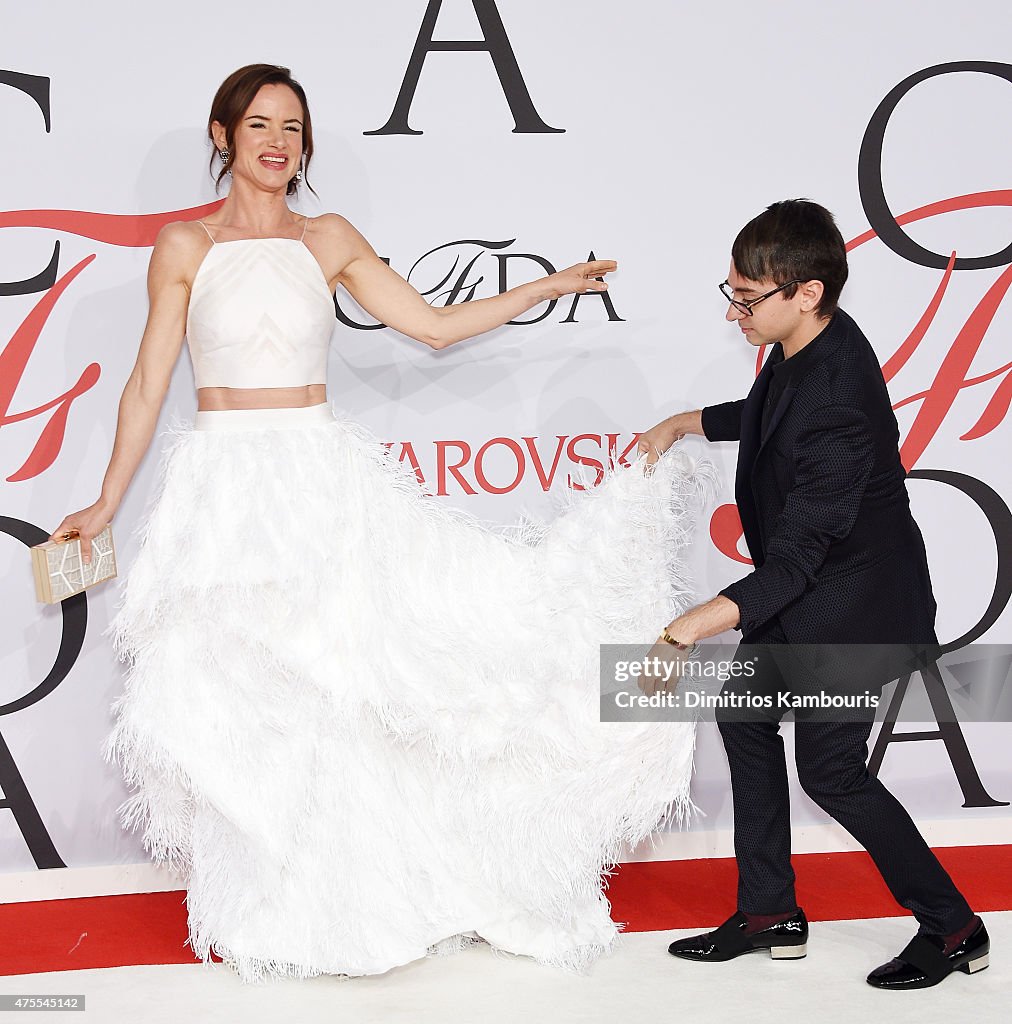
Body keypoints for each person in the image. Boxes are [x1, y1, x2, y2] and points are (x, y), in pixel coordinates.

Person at [49, 64, 704, 983]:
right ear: (224, 135)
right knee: (252, 704)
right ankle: (277, 910)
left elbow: (432, 328)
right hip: (228, 491)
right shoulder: (184, 246)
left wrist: (544, 286)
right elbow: (149, 382)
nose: (279, 142)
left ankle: (356, 901)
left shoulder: (329, 238)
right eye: (261, 124)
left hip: (319, 482)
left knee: (345, 694)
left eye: (294, 127)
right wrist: (108, 500)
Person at [636, 200, 988, 990]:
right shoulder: (803, 344)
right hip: (812, 591)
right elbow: (764, 416)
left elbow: (796, 561)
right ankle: (769, 912)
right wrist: (680, 422)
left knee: (831, 773)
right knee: (744, 716)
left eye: (748, 298)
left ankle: (955, 927)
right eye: (729, 293)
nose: (735, 313)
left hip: (855, 605)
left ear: (808, 290)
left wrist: (696, 623)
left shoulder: (835, 398)